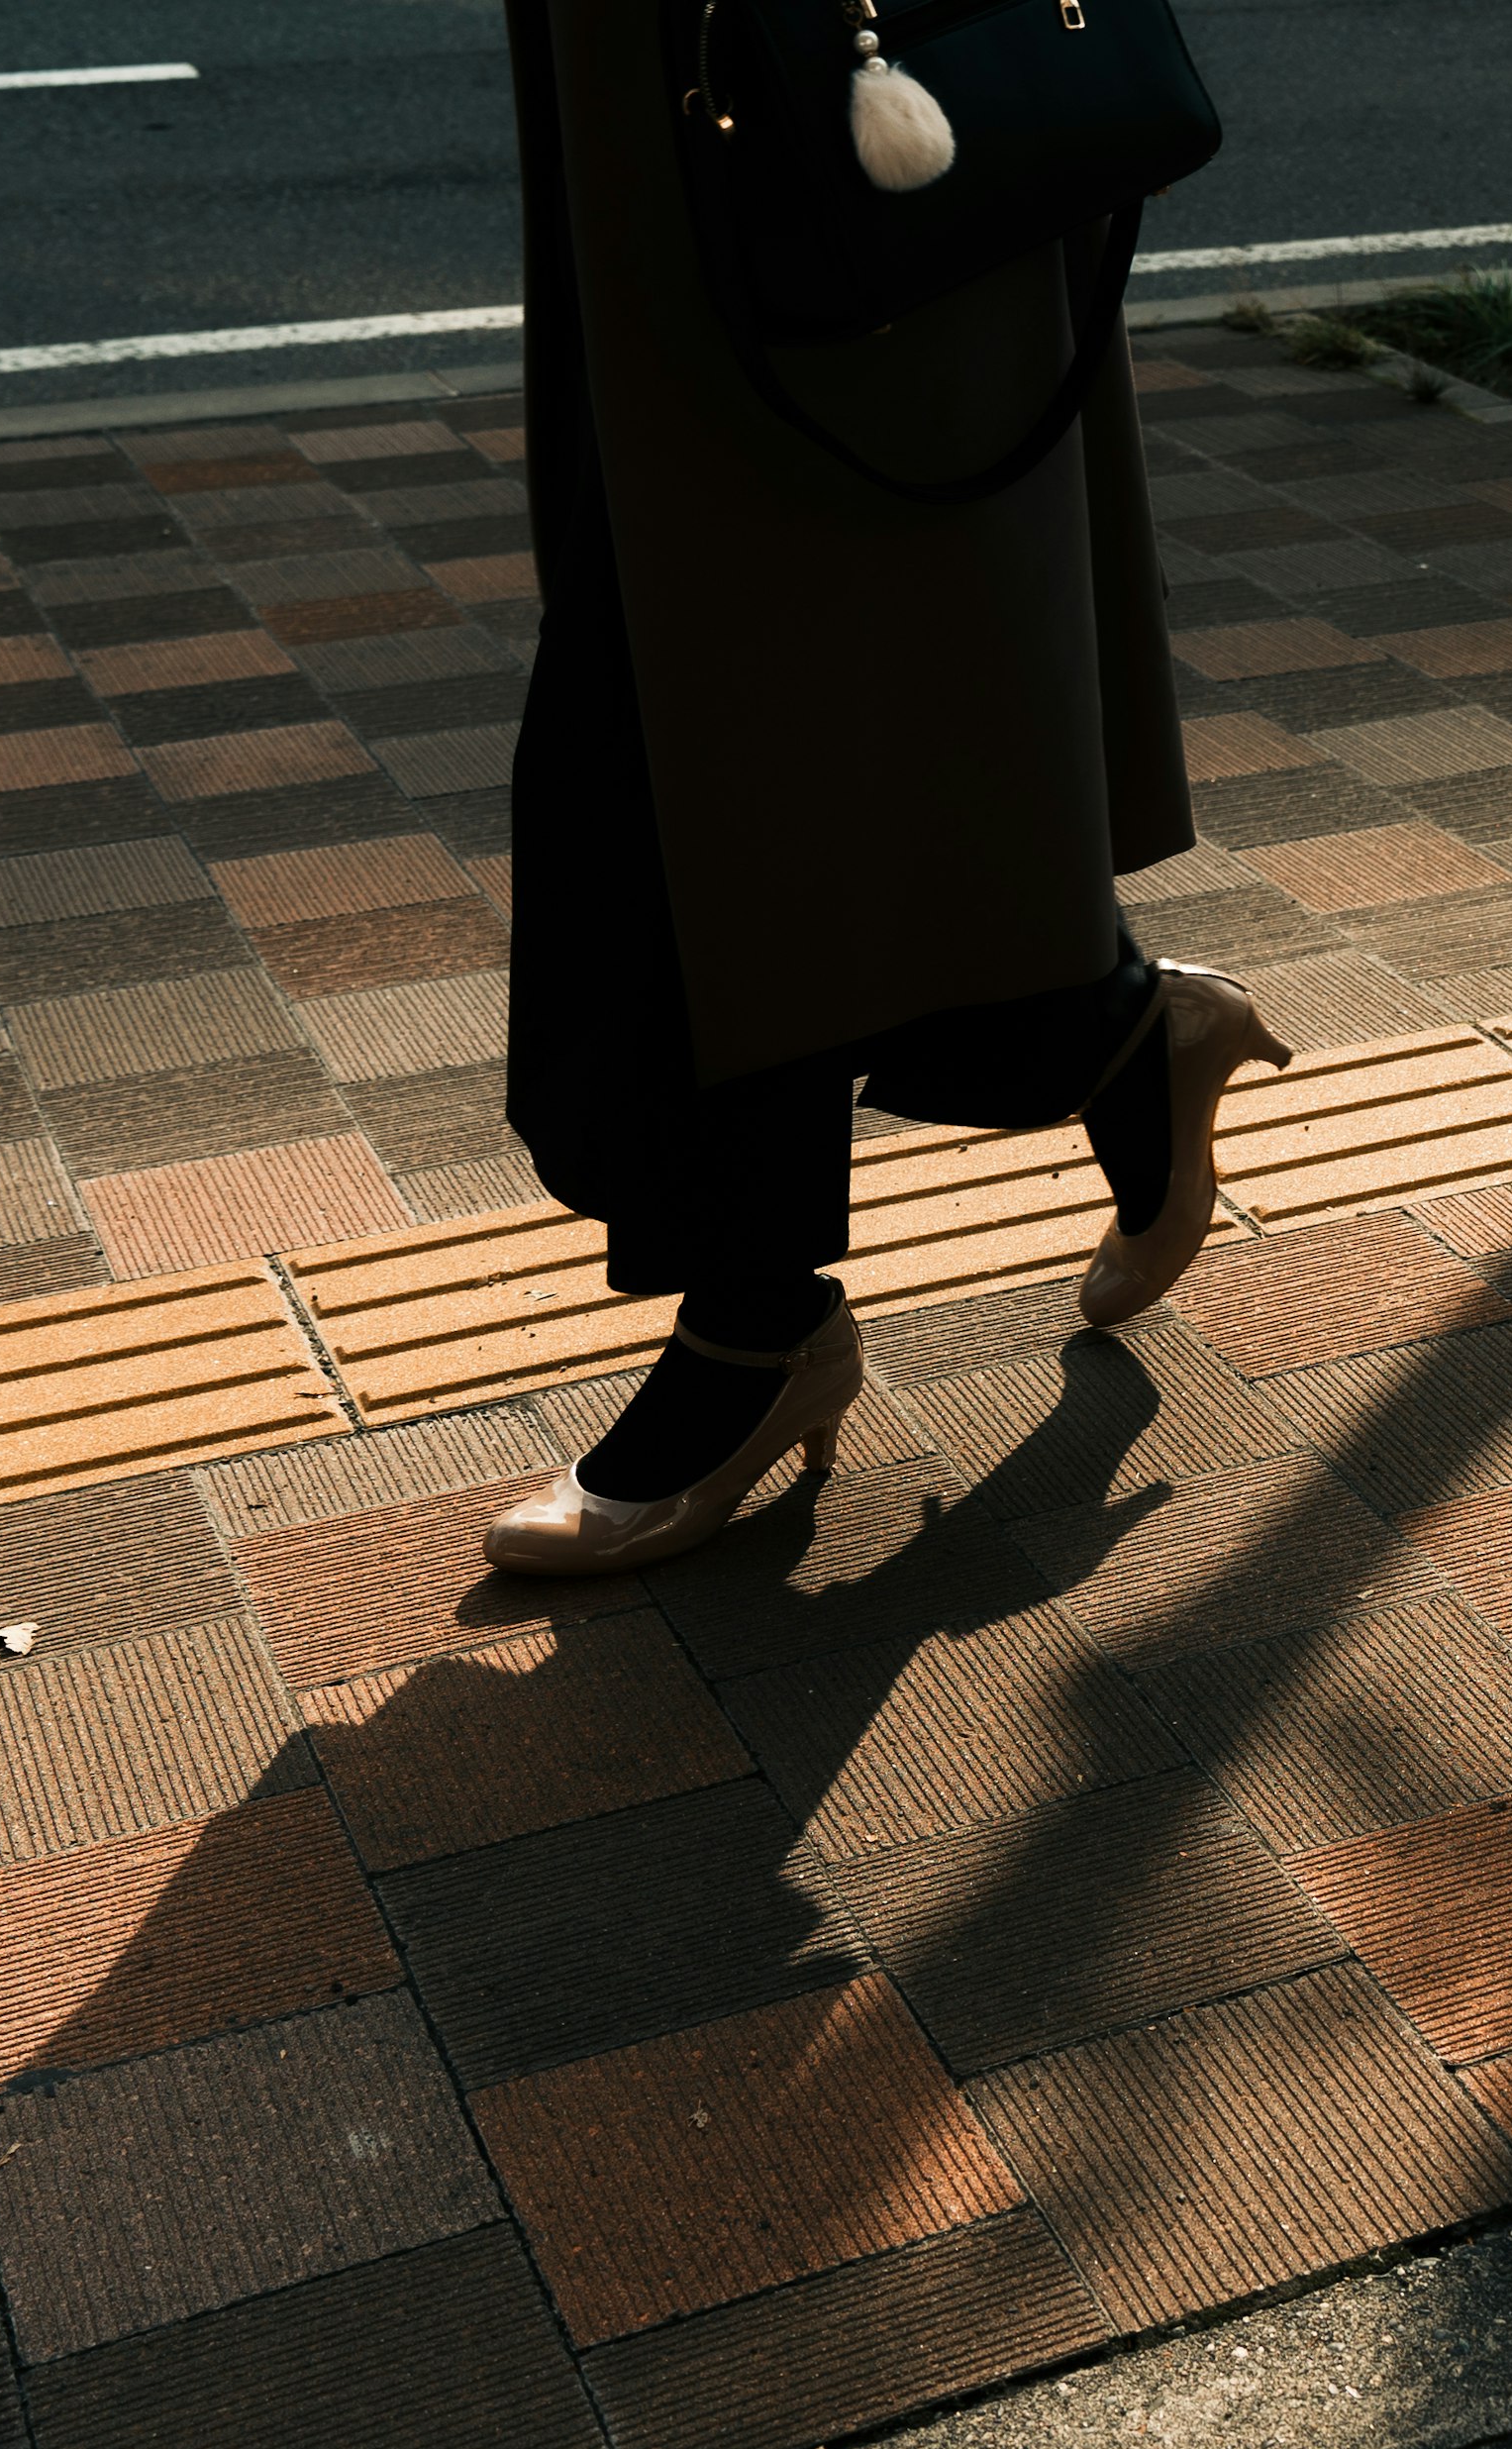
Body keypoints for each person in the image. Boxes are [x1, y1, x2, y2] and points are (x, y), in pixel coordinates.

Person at [480, 1, 1285, 1578]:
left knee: (757, 697)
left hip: (820, 67)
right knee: (733, 675)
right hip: (673, 81)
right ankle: (1101, 1029)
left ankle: (760, 1314)